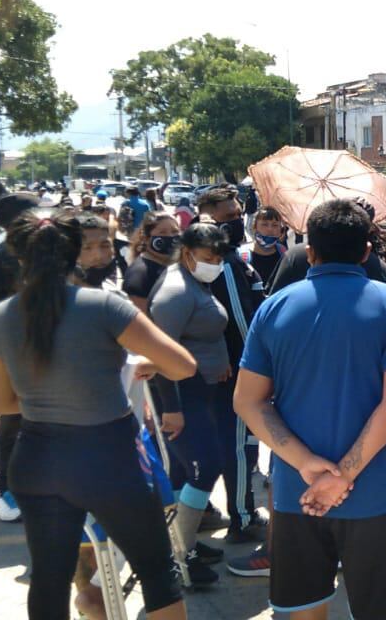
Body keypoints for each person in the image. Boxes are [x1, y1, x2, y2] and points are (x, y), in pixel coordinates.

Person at [0, 211, 198, 620]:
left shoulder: (1, 316)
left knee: (48, 578)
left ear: (20, 258)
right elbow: (182, 365)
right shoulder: (103, 307)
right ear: (72, 256)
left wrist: (46, 397)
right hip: (108, 460)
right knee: (156, 569)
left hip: (36, 460)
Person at [235, 199, 386, 620]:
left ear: (311, 252)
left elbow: (248, 401)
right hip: (371, 492)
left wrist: (308, 466)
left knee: (301, 608)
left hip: (294, 490)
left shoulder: (275, 307)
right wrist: (345, 476)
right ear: (366, 252)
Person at [147, 222, 234, 585]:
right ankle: (181, 557)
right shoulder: (174, 293)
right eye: (207, 258)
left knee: (185, 471)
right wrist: (171, 408)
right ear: (187, 254)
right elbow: (159, 355)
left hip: (202, 388)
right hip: (181, 394)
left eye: (217, 258)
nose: (214, 264)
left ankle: (181, 544)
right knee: (205, 466)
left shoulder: (195, 282)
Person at [196, 186, 268, 544]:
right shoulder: (221, 264)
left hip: (227, 370)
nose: (237, 221)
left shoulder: (228, 258)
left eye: (238, 214)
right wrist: (256, 366)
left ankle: (207, 511)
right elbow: (242, 323)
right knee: (239, 445)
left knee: (231, 444)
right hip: (237, 372)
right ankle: (243, 516)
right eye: (228, 217)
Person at [0, 193, 41, 524]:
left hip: (37, 352)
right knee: (13, 422)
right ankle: (6, 492)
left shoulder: (39, 255)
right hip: (16, 357)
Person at [122, 212, 181, 315]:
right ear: (146, 238)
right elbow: (140, 321)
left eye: (175, 231)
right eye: (162, 232)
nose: (171, 237)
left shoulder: (172, 265)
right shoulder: (139, 275)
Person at [240, 206, 287, 294]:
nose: (270, 229)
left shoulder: (284, 252)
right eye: (264, 224)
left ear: (281, 230)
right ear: (255, 227)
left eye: (275, 225)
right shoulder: (243, 256)